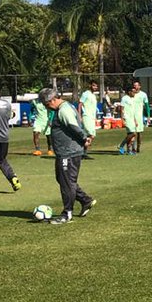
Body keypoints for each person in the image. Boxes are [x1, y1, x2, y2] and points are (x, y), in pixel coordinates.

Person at [40, 87, 95, 223]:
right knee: (63, 179)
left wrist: (84, 139)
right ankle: (85, 200)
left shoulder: (64, 109)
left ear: (53, 100)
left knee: (67, 182)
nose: (47, 107)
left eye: (46, 104)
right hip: (65, 152)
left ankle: (67, 213)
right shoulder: (64, 107)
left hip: (68, 152)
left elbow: (73, 126)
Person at [119, 80, 149, 154]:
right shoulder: (125, 98)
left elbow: (146, 105)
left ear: (140, 86)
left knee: (135, 134)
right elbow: (121, 109)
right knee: (132, 133)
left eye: (137, 85)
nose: (135, 87)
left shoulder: (139, 96)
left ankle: (131, 150)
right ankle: (123, 146)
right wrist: (122, 119)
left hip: (135, 118)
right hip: (127, 118)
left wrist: (147, 115)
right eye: (134, 86)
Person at [79, 81, 99, 156]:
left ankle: (83, 152)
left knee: (90, 135)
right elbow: (80, 104)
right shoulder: (85, 94)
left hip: (92, 118)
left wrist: (95, 118)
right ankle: (82, 150)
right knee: (90, 133)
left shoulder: (93, 96)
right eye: (94, 86)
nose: (95, 87)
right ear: (90, 85)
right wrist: (79, 115)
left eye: (96, 86)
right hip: (86, 116)